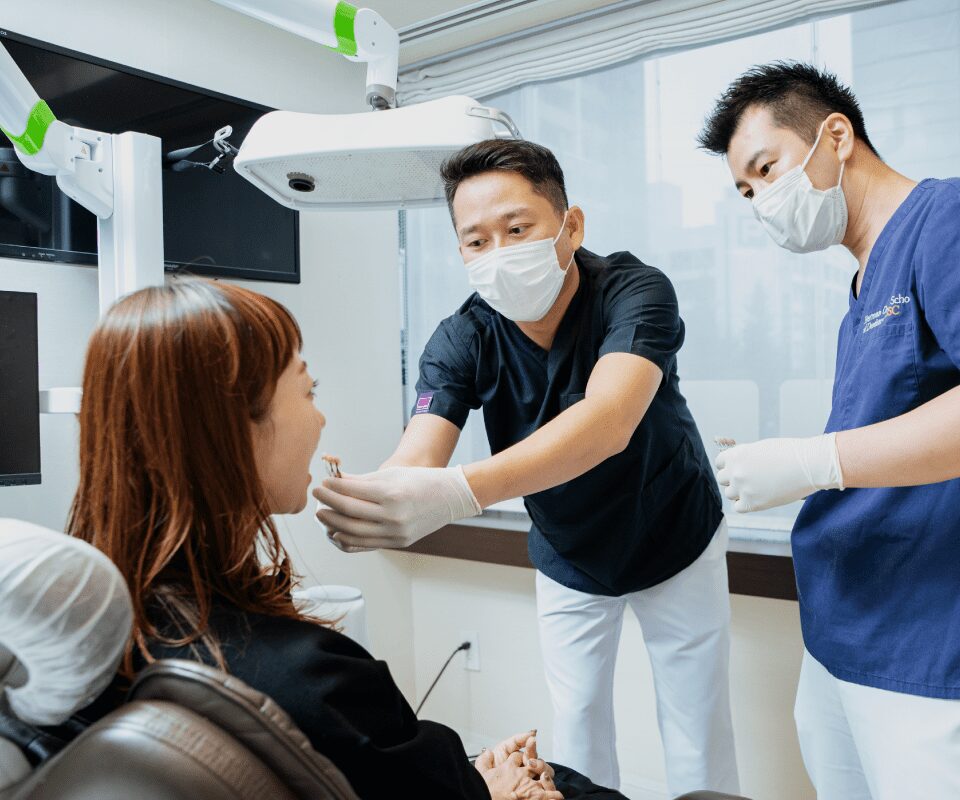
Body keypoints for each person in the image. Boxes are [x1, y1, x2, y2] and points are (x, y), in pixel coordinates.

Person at [66, 276, 626, 800]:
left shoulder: (91, 636)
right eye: (309, 391)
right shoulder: (314, 675)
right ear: (236, 433)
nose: (321, 420)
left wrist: (471, 778)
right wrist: (494, 788)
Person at [315, 139, 740, 795]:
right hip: (569, 549)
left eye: (517, 229)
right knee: (577, 732)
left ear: (570, 227)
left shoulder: (634, 292)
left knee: (696, 727)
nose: (500, 254)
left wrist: (459, 491)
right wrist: (375, 499)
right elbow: (420, 455)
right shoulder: (464, 335)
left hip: (674, 531)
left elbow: (608, 420)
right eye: (476, 241)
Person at [698, 61, 960, 799]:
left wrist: (812, 460)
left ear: (835, 136)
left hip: (921, 641)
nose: (761, 203)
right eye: (746, 192)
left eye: (766, 169)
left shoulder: (943, 221)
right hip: (841, 627)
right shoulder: (862, 283)